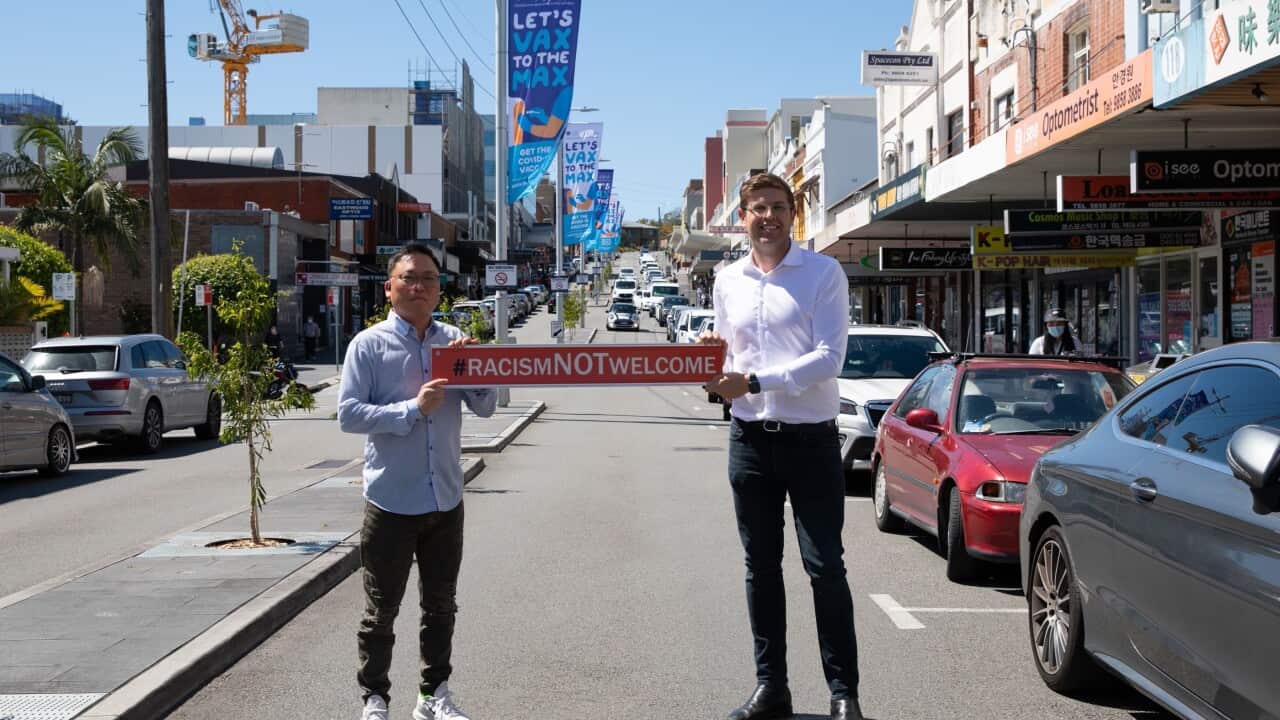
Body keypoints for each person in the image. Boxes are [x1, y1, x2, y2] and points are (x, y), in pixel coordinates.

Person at [699, 173, 863, 720]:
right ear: (742, 217)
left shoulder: (824, 273)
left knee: (825, 567)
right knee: (760, 568)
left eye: (776, 206)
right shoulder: (727, 281)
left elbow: (828, 359)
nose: (766, 216)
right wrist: (708, 362)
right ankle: (773, 689)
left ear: (793, 213)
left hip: (811, 442)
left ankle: (844, 695)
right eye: (756, 208)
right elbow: (726, 357)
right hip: (748, 441)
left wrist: (753, 383)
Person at [338, 243, 496, 720]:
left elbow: (487, 406)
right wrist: (412, 409)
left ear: (438, 288)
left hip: (445, 499)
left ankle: (433, 696)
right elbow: (348, 414)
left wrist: (476, 367)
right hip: (390, 501)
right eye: (409, 278)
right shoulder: (367, 345)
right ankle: (375, 698)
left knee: (441, 607)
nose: (419, 286)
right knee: (381, 612)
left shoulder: (456, 341)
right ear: (389, 288)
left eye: (428, 278)